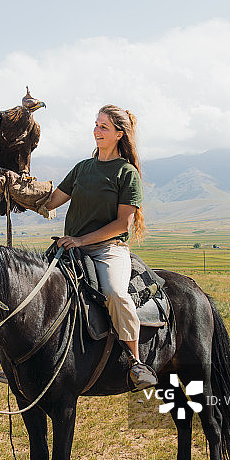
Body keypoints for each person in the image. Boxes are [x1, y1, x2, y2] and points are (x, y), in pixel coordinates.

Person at [44, 105, 158, 390]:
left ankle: (135, 362)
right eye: (96, 125)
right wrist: (16, 187)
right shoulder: (82, 168)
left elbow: (122, 224)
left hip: (108, 250)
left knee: (115, 293)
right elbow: (50, 201)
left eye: (104, 127)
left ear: (120, 134)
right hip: (71, 248)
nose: (97, 130)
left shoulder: (126, 173)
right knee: (31, 287)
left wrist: (82, 240)